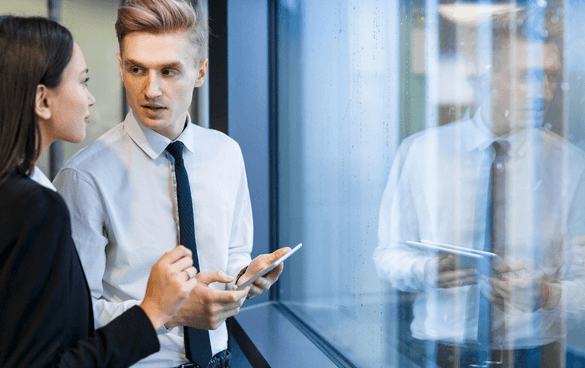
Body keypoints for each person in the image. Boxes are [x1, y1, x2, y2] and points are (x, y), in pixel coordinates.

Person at [53, 1, 289, 367]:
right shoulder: (84, 177)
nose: (152, 90)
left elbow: (234, 256)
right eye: (137, 69)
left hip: (220, 360)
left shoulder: (226, 154)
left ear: (200, 72)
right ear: (120, 68)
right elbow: (74, 316)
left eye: (168, 71)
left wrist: (244, 279)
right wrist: (169, 312)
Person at [373, 8, 585, 368]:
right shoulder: (420, 152)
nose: (543, 92)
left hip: (536, 353)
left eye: (549, 77)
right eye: (526, 76)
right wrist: (427, 272)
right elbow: (388, 256)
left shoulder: (571, 165)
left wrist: (548, 294)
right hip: (439, 350)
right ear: (484, 74)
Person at [0, 15, 199, 367]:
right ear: (42, 101)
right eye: (82, 81)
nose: (91, 99)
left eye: (169, 71)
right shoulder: (36, 205)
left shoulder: (20, 196)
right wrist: (152, 312)